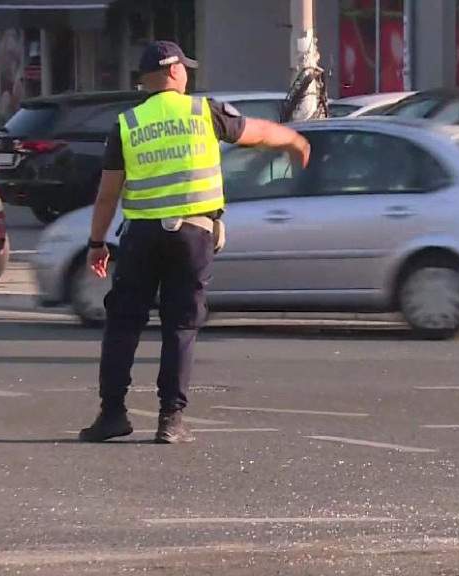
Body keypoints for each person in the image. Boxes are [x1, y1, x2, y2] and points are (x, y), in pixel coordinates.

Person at [79, 41, 310, 444]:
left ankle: (112, 413)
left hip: (142, 237)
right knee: (181, 326)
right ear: (173, 72)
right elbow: (256, 133)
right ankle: (171, 419)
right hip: (194, 235)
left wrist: (97, 243)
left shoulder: (127, 124)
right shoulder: (205, 112)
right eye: (185, 67)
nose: (188, 73)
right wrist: (293, 140)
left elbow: (107, 194)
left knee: (123, 325)